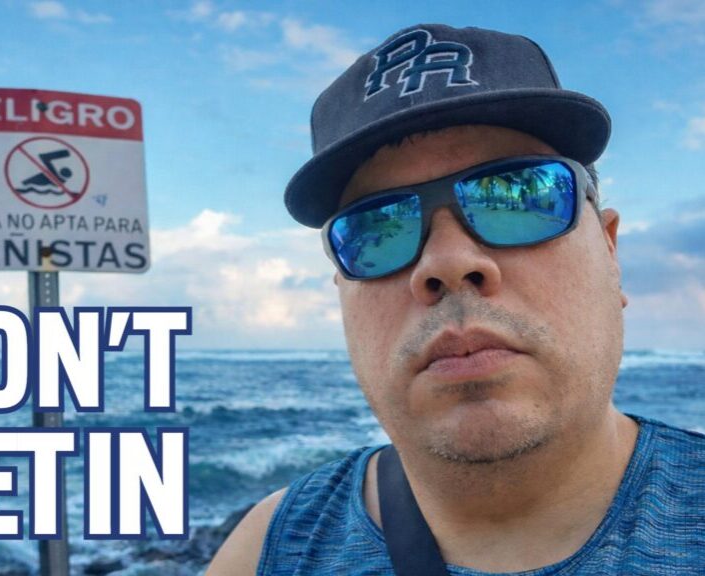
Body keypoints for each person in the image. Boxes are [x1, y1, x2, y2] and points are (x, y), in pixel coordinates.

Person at [207, 24, 705, 575]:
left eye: (520, 196)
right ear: (342, 294)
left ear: (610, 251)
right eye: (376, 229)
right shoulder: (266, 552)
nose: (446, 262)